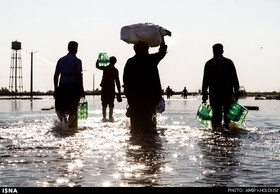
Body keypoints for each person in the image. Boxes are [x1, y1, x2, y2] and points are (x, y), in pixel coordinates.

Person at [123, 36, 167, 135]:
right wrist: (162, 37)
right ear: (144, 49)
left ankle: (136, 148)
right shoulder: (151, 60)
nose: (148, 49)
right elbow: (162, 52)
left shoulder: (130, 62)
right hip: (149, 100)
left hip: (134, 101)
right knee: (148, 128)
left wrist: (129, 100)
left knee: (135, 130)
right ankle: (148, 147)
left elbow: (126, 82)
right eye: (147, 47)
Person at [202, 43, 239, 130]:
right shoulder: (229, 62)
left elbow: (205, 82)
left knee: (216, 120)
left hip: (214, 95)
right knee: (228, 119)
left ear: (213, 51)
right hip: (227, 94)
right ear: (222, 51)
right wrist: (236, 94)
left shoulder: (208, 64)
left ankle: (217, 138)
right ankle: (227, 133)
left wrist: (204, 95)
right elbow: (235, 80)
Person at [53, 41, 85, 129]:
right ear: (76, 50)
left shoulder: (61, 60)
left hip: (62, 87)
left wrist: (56, 89)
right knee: (73, 110)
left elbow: (56, 76)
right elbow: (79, 76)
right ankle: (72, 127)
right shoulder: (77, 61)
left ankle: (63, 125)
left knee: (61, 109)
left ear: (68, 48)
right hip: (73, 87)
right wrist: (82, 90)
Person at [96, 56, 121, 122]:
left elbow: (97, 66)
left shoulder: (105, 68)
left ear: (109, 61)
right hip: (111, 89)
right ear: (115, 62)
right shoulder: (115, 70)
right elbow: (117, 81)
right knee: (111, 104)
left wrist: (99, 59)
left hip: (104, 88)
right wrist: (119, 91)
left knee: (104, 104)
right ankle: (110, 117)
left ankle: (104, 118)